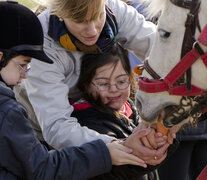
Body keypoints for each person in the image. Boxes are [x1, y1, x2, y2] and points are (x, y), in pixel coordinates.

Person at [0, 1, 147, 179]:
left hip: (100, 123)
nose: (93, 31)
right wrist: (116, 148)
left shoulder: (114, 11)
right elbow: (55, 131)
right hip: (43, 140)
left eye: (98, 17)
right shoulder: (41, 42)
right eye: (81, 21)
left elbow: (163, 48)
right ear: (59, 13)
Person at [71, 42, 179, 180]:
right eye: (103, 83)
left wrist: (160, 137)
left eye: (121, 81)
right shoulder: (85, 125)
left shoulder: (132, 110)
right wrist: (147, 150)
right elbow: (121, 169)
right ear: (86, 85)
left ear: (131, 78)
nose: (114, 89)